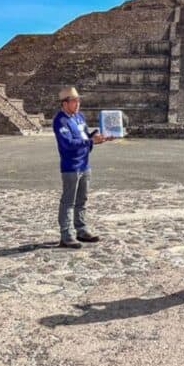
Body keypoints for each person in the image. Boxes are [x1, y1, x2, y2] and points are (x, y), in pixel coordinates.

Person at [53, 86, 108, 248]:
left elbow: (85, 137)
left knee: (82, 200)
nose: (77, 104)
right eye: (74, 101)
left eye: (78, 100)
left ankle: (81, 229)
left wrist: (98, 137)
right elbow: (68, 143)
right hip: (71, 166)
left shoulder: (80, 118)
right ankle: (66, 234)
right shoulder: (60, 120)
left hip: (84, 164)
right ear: (64, 103)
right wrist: (91, 141)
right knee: (68, 201)